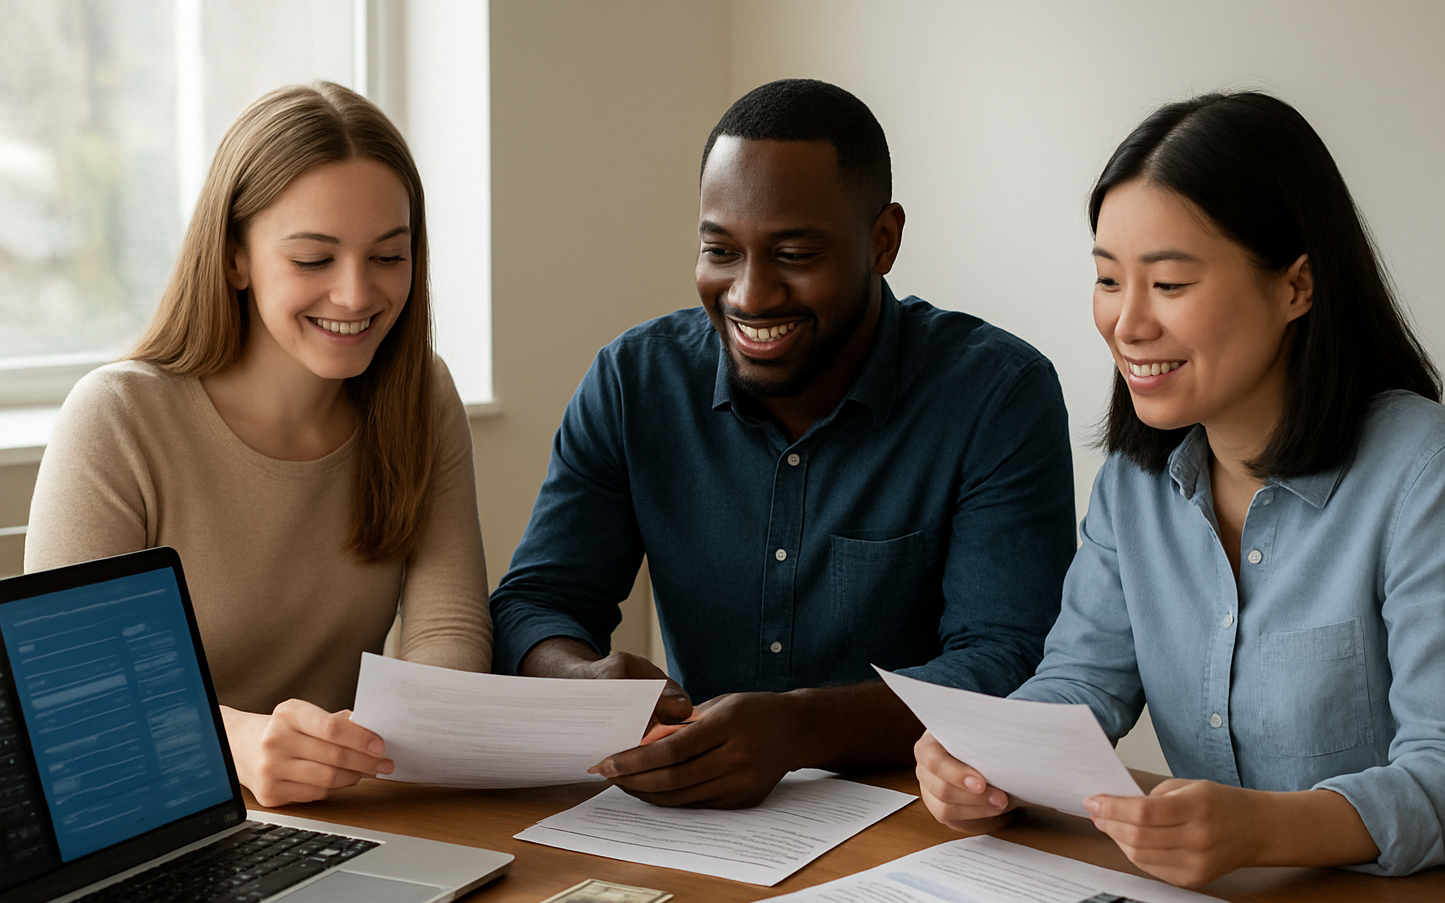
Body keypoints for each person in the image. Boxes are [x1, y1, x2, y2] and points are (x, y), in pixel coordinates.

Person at [916, 91, 1445, 886]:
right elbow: (1081, 681)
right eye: (1108, 279)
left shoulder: (1431, 470)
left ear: (1297, 286)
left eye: (1170, 284)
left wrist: (1263, 829)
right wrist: (986, 756)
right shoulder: (1134, 484)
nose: (1127, 324)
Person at [491, 79, 1077, 809]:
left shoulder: (997, 394)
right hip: (693, 817)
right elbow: (534, 603)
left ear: (883, 241)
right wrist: (581, 681)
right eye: (720, 250)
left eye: (794, 254)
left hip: (926, 813)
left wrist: (800, 730)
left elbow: (1010, 659)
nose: (749, 294)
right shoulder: (633, 382)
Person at [26, 82, 492, 808]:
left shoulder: (420, 396)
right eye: (313, 259)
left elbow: (449, 629)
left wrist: (395, 737)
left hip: (342, 815)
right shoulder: (118, 417)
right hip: (151, 817)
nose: (356, 294)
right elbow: (72, 696)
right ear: (234, 258)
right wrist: (236, 742)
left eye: (388, 256)